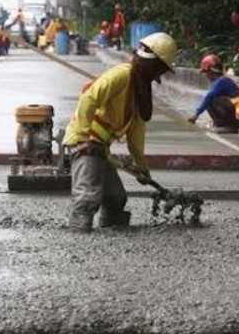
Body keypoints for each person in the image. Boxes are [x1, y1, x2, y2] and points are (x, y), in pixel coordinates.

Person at [63, 32, 177, 232]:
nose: (160, 76)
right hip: (85, 142)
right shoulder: (122, 75)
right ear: (154, 64)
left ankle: (113, 226)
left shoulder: (139, 88)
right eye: (161, 70)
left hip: (100, 147)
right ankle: (78, 232)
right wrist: (82, 137)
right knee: (87, 196)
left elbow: (136, 132)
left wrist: (140, 166)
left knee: (116, 198)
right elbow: (89, 98)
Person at [187, 54, 239, 134]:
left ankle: (229, 126)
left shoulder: (222, 81)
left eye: (206, 72)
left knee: (213, 100)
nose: (206, 75)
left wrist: (196, 114)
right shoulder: (219, 81)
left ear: (210, 71)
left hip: (238, 113)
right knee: (210, 100)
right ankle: (220, 124)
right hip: (237, 112)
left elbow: (209, 96)